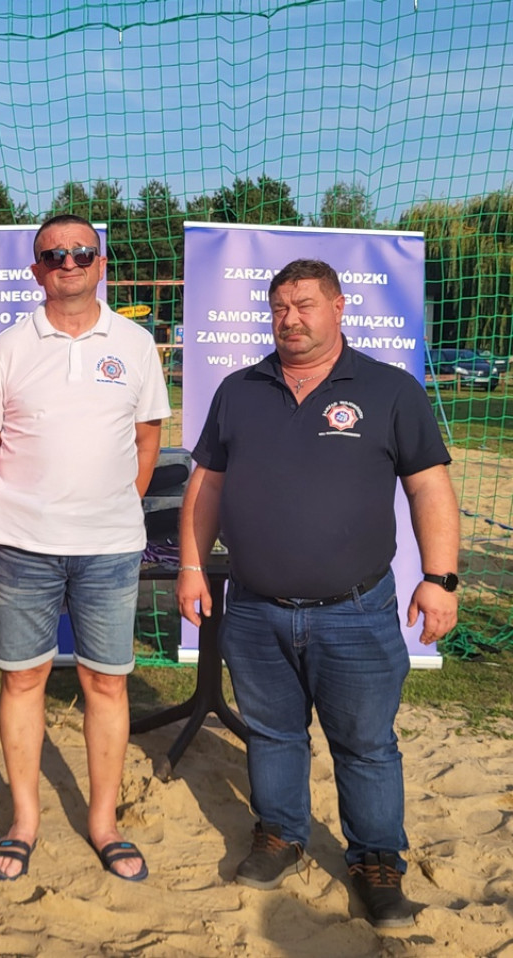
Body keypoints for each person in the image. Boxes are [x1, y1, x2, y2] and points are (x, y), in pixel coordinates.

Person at [177, 259, 459, 928]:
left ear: (339, 307)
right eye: (279, 306)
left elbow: (429, 487)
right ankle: (280, 834)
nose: (290, 318)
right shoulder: (238, 390)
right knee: (273, 734)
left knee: (365, 744)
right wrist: (193, 566)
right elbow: (207, 485)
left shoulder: (391, 391)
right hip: (253, 608)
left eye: (305, 304)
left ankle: (375, 862)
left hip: (356, 613)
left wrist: (440, 577)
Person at [0, 214, 171, 882]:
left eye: (82, 252)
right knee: (22, 678)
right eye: (54, 254)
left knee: (105, 683)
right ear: (37, 271)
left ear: (101, 262)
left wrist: (111, 503)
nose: (69, 261)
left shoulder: (137, 344)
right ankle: (23, 819)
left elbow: (147, 439)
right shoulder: (7, 347)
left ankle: (103, 822)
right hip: (22, 543)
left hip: (109, 548)